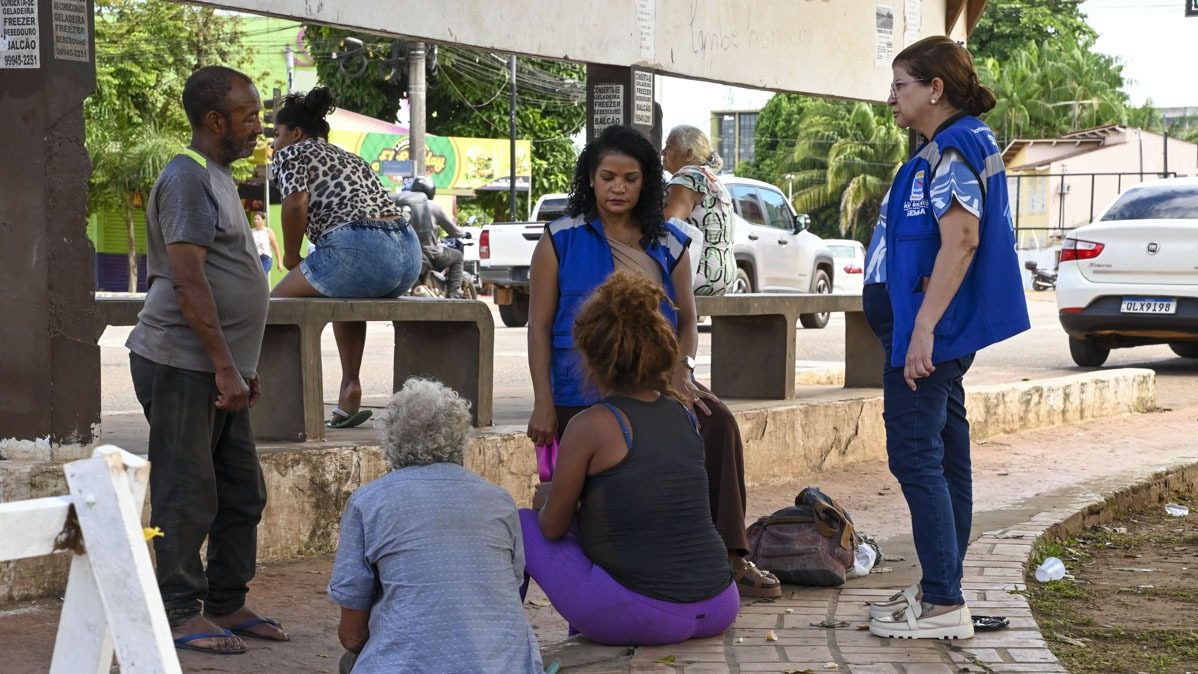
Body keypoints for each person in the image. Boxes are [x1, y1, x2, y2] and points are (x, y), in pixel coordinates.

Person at [526, 124, 780, 598]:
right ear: (591, 179)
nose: (617, 188)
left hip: (655, 385)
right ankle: (609, 581)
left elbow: (687, 320)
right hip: (578, 389)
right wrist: (543, 401)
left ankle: (731, 557)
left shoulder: (671, 243)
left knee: (718, 422)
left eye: (630, 178)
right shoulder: (559, 240)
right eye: (607, 177)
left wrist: (682, 372)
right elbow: (538, 327)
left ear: (647, 182)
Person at [863, 36, 1030, 640]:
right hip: (927, 331)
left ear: (935, 89)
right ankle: (945, 590)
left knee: (914, 455)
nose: (891, 99)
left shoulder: (952, 151)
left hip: (928, 335)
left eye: (900, 86)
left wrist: (922, 330)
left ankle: (941, 603)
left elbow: (961, 240)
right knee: (944, 456)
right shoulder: (945, 148)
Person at [126, 65, 286, 655]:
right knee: (185, 491)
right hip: (180, 364)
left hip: (219, 369)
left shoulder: (217, 177)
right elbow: (188, 280)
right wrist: (224, 364)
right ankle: (176, 609)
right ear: (214, 120)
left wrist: (239, 364)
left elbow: (227, 276)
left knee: (242, 491)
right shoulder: (187, 178)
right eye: (248, 117)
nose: (257, 128)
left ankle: (226, 601)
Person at [522, 272, 739, 645]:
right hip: (720, 604)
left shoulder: (590, 425)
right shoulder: (683, 414)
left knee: (522, 524)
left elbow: (552, 528)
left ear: (589, 356)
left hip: (648, 616)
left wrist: (550, 497)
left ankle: (496, 642)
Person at [329, 378, 543, 673]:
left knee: (351, 661)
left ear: (391, 438)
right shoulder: (499, 501)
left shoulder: (368, 503)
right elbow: (511, 582)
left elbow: (352, 636)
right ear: (459, 437)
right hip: (504, 665)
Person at [268, 87, 422, 429]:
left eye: (277, 135)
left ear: (295, 133)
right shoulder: (352, 157)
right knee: (342, 296)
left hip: (359, 248)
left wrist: (291, 255)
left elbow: (295, 204)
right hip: (408, 254)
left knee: (272, 310)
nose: (274, 144)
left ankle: (276, 406)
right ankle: (350, 384)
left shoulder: (292, 153)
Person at [661, 125, 736, 296]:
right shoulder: (712, 179)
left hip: (698, 275)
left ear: (688, 154)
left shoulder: (687, 177)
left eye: (669, 147)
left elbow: (667, 227)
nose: (663, 152)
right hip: (723, 277)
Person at [393, 176, 472, 298]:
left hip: (402, 253)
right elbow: (453, 231)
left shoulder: (403, 204)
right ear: (431, 190)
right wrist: (464, 234)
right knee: (457, 257)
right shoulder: (432, 206)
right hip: (430, 254)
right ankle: (453, 296)